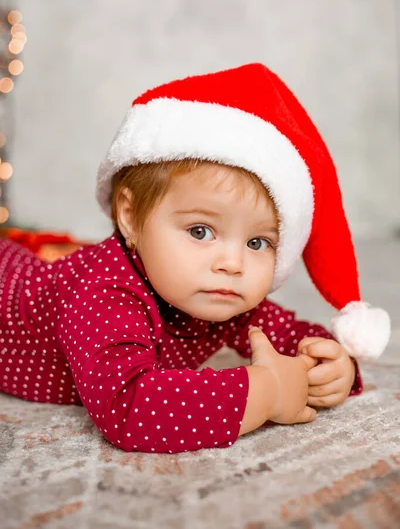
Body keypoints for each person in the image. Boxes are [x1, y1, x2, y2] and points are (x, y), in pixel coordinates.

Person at [0, 63, 391, 454]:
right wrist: (265, 391)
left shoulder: (218, 290)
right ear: (130, 217)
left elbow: (288, 334)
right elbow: (131, 409)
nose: (232, 263)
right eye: (200, 231)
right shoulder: (103, 292)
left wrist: (330, 365)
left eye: (257, 242)